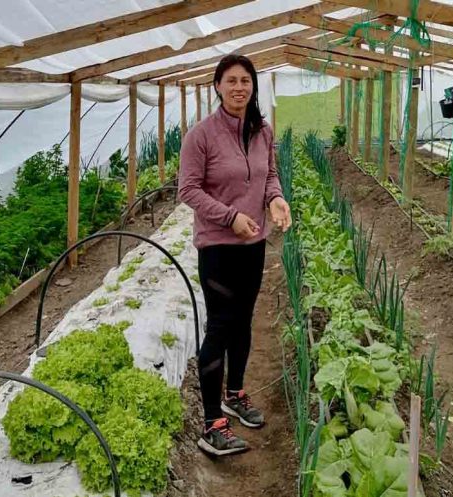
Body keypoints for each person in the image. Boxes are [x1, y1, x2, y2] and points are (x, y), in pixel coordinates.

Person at [178, 54, 292, 457]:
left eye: (246, 80)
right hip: (218, 247)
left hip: (253, 245)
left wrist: (276, 200)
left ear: (253, 86)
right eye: (232, 81)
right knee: (220, 327)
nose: (240, 87)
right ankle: (212, 423)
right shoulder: (201, 136)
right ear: (218, 87)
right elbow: (188, 190)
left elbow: (270, 175)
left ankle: (235, 393)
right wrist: (230, 217)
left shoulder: (262, 131)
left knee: (244, 320)